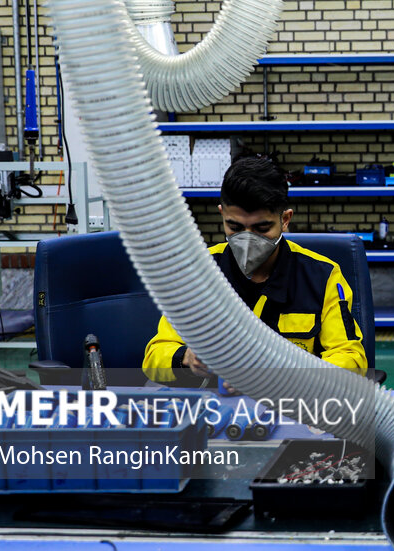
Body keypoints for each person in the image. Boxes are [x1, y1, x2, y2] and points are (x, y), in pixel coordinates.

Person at [143, 155, 367, 385]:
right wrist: (187, 359)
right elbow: (154, 358)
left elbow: (352, 360)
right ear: (222, 215)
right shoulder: (197, 274)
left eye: (262, 228)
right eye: (235, 227)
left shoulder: (322, 277)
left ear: (285, 219)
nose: (247, 240)